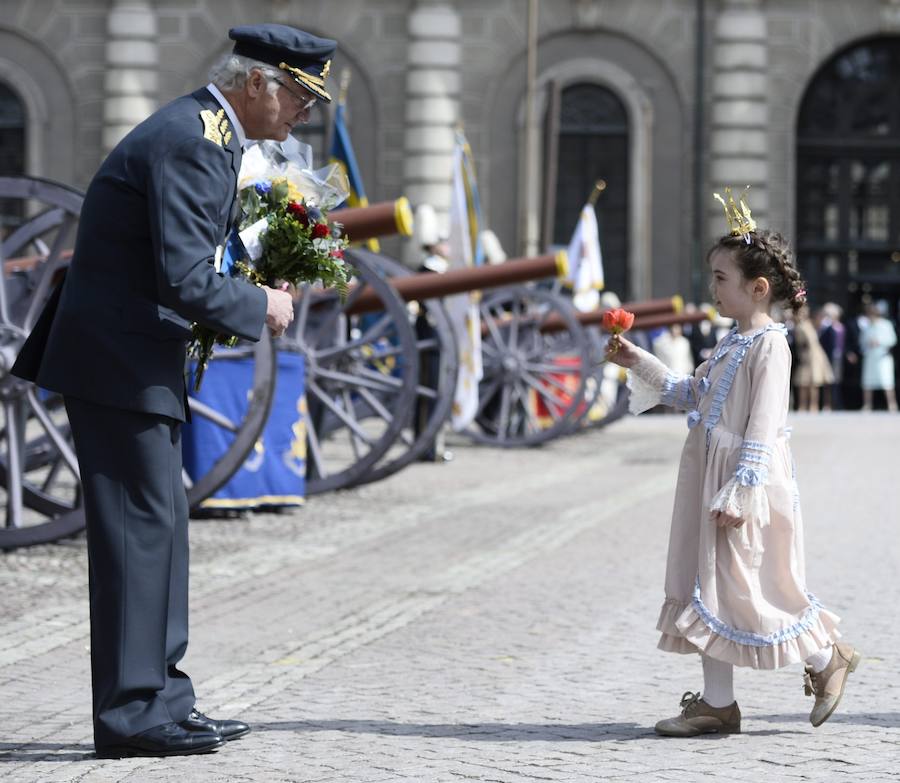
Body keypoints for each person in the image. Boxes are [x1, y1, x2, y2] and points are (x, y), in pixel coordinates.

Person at [11, 23, 334, 758]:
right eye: (296, 97)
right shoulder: (195, 139)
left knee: (160, 534)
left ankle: (163, 698)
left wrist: (255, 280)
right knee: (136, 537)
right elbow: (184, 277)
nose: (301, 114)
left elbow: (186, 260)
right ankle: (130, 714)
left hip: (138, 359)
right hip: (118, 363)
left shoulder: (210, 134)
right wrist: (263, 307)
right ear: (257, 82)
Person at [605, 205, 860, 737]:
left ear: (758, 287)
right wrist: (640, 362)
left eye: (721, 279)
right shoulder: (730, 342)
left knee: (753, 586)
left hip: (744, 483)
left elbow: (764, 425)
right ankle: (717, 703)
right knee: (709, 587)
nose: (714, 288)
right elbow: (692, 394)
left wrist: (742, 489)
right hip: (710, 475)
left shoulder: (770, 346)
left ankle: (824, 656)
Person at [792, 305, 833, 412]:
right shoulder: (801, 326)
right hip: (807, 356)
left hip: (816, 356)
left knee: (814, 382)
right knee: (803, 382)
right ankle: (802, 406)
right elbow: (800, 343)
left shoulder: (809, 324)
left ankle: (813, 406)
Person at [860, 300, 898, 412]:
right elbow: (862, 341)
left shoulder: (886, 324)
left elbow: (892, 340)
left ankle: (892, 404)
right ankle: (867, 404)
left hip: (883, 357)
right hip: (870, 357)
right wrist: (868, 344)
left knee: (887, 381)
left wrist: (879, 342)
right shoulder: (867, 327)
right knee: (867, 382)